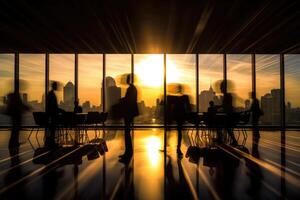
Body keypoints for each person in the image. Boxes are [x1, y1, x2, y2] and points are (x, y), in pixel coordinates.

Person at [119, 75, 139, 162]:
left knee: (127, 132)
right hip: (130, 112)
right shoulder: (133, 88)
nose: (126, 80)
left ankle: (128, 153)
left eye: (127, 79)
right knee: (127, 132)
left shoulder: (131, 88)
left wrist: (122, 100)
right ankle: (128, 152)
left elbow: (129, 100)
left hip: (129, 112)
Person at [217, 80, 238, 145]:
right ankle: (221, 138)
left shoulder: (227, 96)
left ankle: (220, 138)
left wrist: (218, 108)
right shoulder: (228, 95)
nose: (220, 89)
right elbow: (225, 106)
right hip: (229, 117)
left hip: (228, 117)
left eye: (221, 87)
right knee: (225, 126)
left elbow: (226, 106)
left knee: (218, 124)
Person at [172, 84, 191, 157]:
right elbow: (188, 107)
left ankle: (178, 147)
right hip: (181, 116)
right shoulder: (185, 97)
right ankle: (178, 148)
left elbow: (173, 107)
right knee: (180, 132)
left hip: (177, 116)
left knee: (180, 132)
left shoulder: (175, 98)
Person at [45, 81, 64, 148]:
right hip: (52, 114)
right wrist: (61, 110)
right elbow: (53, 106)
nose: (57, 87)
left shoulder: (50, 94)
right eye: (56, 86)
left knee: (52, 129)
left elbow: (51, 106)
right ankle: (51, 142)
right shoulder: (51, 94)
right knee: (53, 128)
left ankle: (51, 142)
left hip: (51, 114)